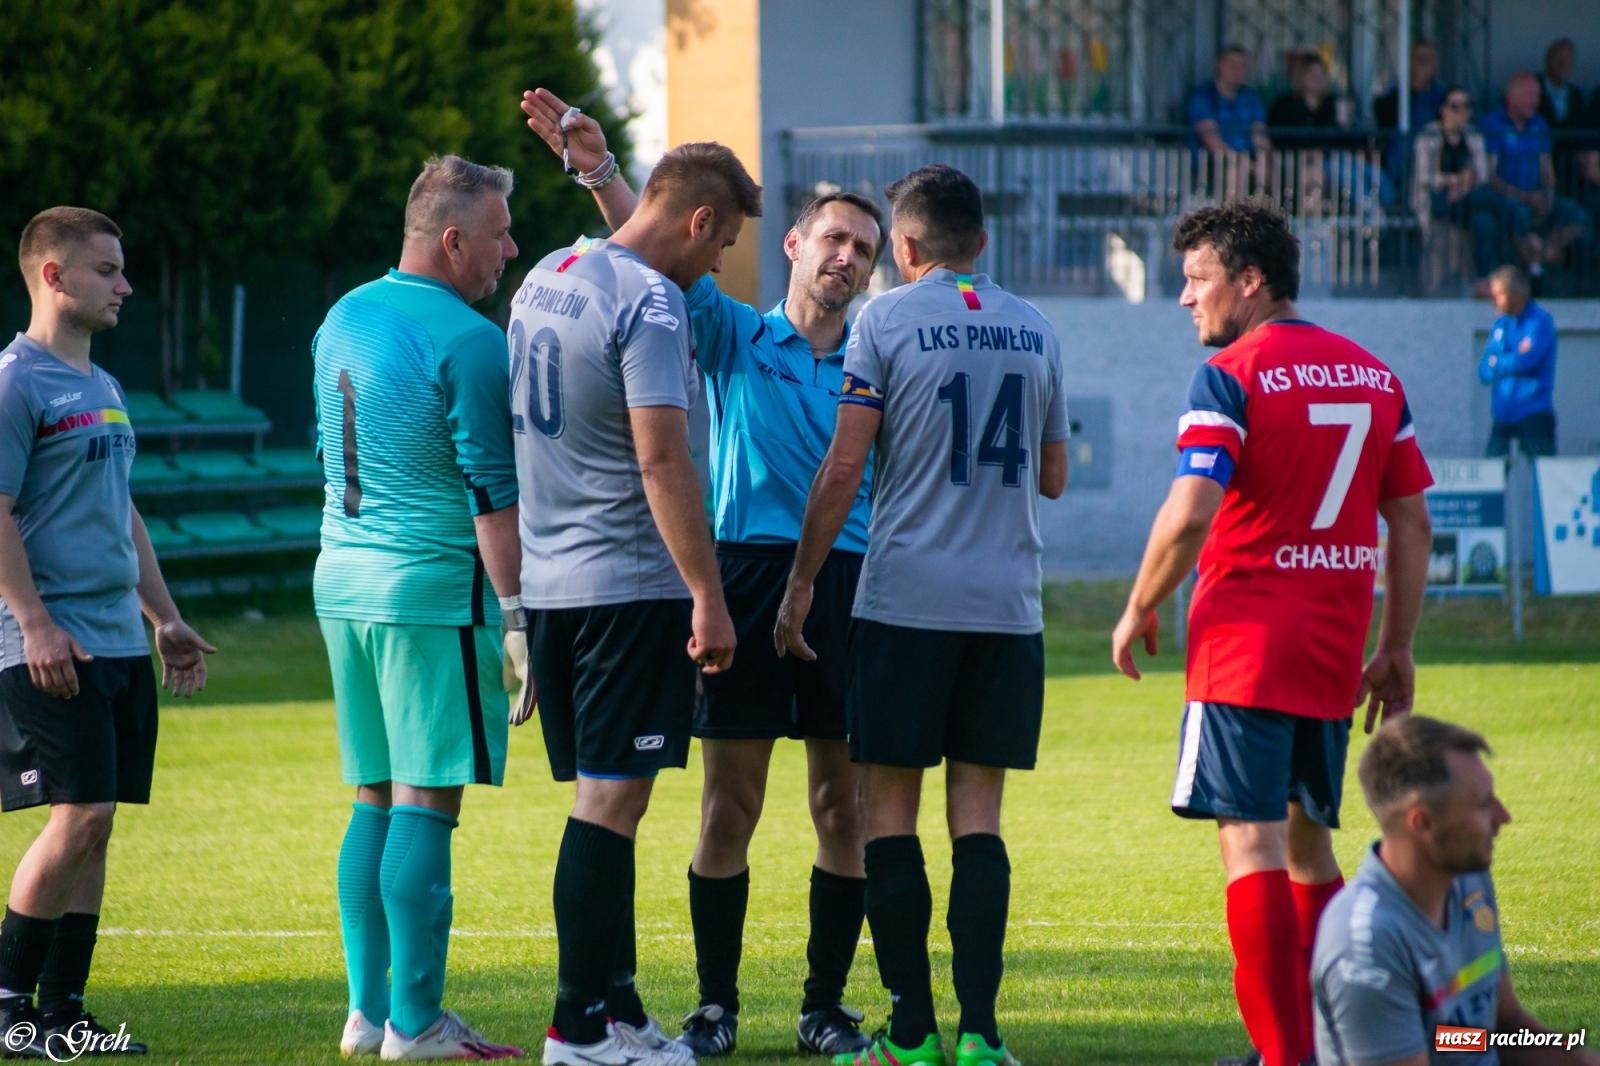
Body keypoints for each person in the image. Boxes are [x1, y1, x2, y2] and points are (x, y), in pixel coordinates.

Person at [519, 88, 883, 1058]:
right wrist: (601, 174)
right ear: (796, 244)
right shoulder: (734, 333)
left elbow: (670, 235)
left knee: (838, 805)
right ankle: (714, 1004)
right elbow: (652, 249)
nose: (847, 257)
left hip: (845, 581)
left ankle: (824, 1005)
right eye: (834, 238)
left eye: (866, 249)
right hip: (740, 573)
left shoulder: (877, 362)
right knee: (730, 802)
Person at [1110, 199, 1435, 1066]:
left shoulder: (1231, 376)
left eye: (1196, 279)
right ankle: (1340, 1044)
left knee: (1249, 844)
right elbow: (1411, 523)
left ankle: (1289, 1059)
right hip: (1332, 652)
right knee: (1307, 846)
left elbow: (1189, 515)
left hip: (1245, 648)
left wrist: (1141, 601)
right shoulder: (1374, 375)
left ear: (1250, 283)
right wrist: (1395, 646)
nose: (1185, 298)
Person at [775, 163, 1069, 1066]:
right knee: (977, 817)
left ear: (902, 248)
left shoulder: (886, 319)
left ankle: (910, 1033)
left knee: (888, 815)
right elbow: (1053, 477)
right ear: (980, 243)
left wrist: (798, 587)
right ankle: (980, 1034)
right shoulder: (1036, 327)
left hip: (906, 605)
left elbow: (843, 468)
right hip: (1007, 610)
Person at [507, 130, 759, 1066]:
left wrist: (600, 174)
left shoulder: (551, 270)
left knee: (611, 799)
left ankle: (617, 1010)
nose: (717, 264)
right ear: (700, 221)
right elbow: (661, 456)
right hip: (628, 585)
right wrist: (709, 594)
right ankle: (576, 1030)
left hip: (555, 582)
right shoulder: (652, 303)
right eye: (722, 242)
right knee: (610, 805)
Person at [312, 156, 524, 1061]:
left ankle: (368, 1013)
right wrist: (518, 617)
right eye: (501, 232)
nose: (510, 249)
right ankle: (419, 1022)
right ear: (453, 240)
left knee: (372, 799)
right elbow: (493, 496)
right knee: (426, 805)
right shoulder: (473, 341)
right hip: (431, 591)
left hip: (342, 583)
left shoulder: (343, 315)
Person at [0, 206, 216, 1058]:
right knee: (80, 813)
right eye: (107, 270)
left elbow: (120, 511)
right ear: (54, 276)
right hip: (52, 644)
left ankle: (65, 1014)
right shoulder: (16, 381)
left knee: (100, 821)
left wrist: (163, 617)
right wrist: (35, 622)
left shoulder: (105, 387)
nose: (125, 284)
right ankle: (9, 1004)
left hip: (119, 641)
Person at [1313, 715, 1600, 1065]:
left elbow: (1501, 1032)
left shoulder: (1466, 880)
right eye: (1482, 805)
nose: (1503, 816)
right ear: (1423, 823)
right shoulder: (1366, 944)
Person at [1479, 72, 1588, 275]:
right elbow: (1489, 176)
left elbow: (1547, 168)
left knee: (1577, 215)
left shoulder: (1539, 125)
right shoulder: (1492, 124)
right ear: (1511, 96)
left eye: (1537, 95)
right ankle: (1531, 269)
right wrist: (1524, 197)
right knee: (1516, 213)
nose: (1535, 101)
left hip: (1536, 195)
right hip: (1505, 197)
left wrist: (1547, 195)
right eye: (1529, 95)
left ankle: (1542, 254)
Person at [1410, 87, 1503, 290]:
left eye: (1466, 107)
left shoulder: (1473, 136)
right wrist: (1453, 181)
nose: (1460, 112)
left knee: (1484, 223)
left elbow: (1482, 174)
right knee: (1496, 206)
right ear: (1443, 110)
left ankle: (1483, 280)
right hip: (1438, 199)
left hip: (1466, 198)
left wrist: (1463, 187)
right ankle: (1515, 216)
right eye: (1454, 107)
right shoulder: (1428, 136)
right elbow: (1425, 177)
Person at [1478, 265, 1558, 459]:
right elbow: (1483, 371)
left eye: (1499, 294)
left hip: (1533, 411)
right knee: (1492, 472)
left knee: (1545, 475)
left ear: (1516, 294)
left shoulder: (1539, 321)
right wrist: (1509, 359)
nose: (1493, 300)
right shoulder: (1501, 325)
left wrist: (1497, 362)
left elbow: (1528, 361)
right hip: (1503, 413)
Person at [1375, 39, 1449, 181]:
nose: (1425, 64)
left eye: (1429, 59)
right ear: (1409, 62)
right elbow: (1383, 119)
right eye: (1420, 59)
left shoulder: (1443, 95)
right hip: (1398, 162)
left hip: (1433, 162)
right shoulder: (1395, 92)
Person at [1536, 38, 1586, 199]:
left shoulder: (1576, 95)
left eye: (1568, 60)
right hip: (1540, 162)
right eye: (1558, 59)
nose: (1563, 64)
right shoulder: (1533, 88)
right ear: (1547, 61)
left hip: (1569, 169)